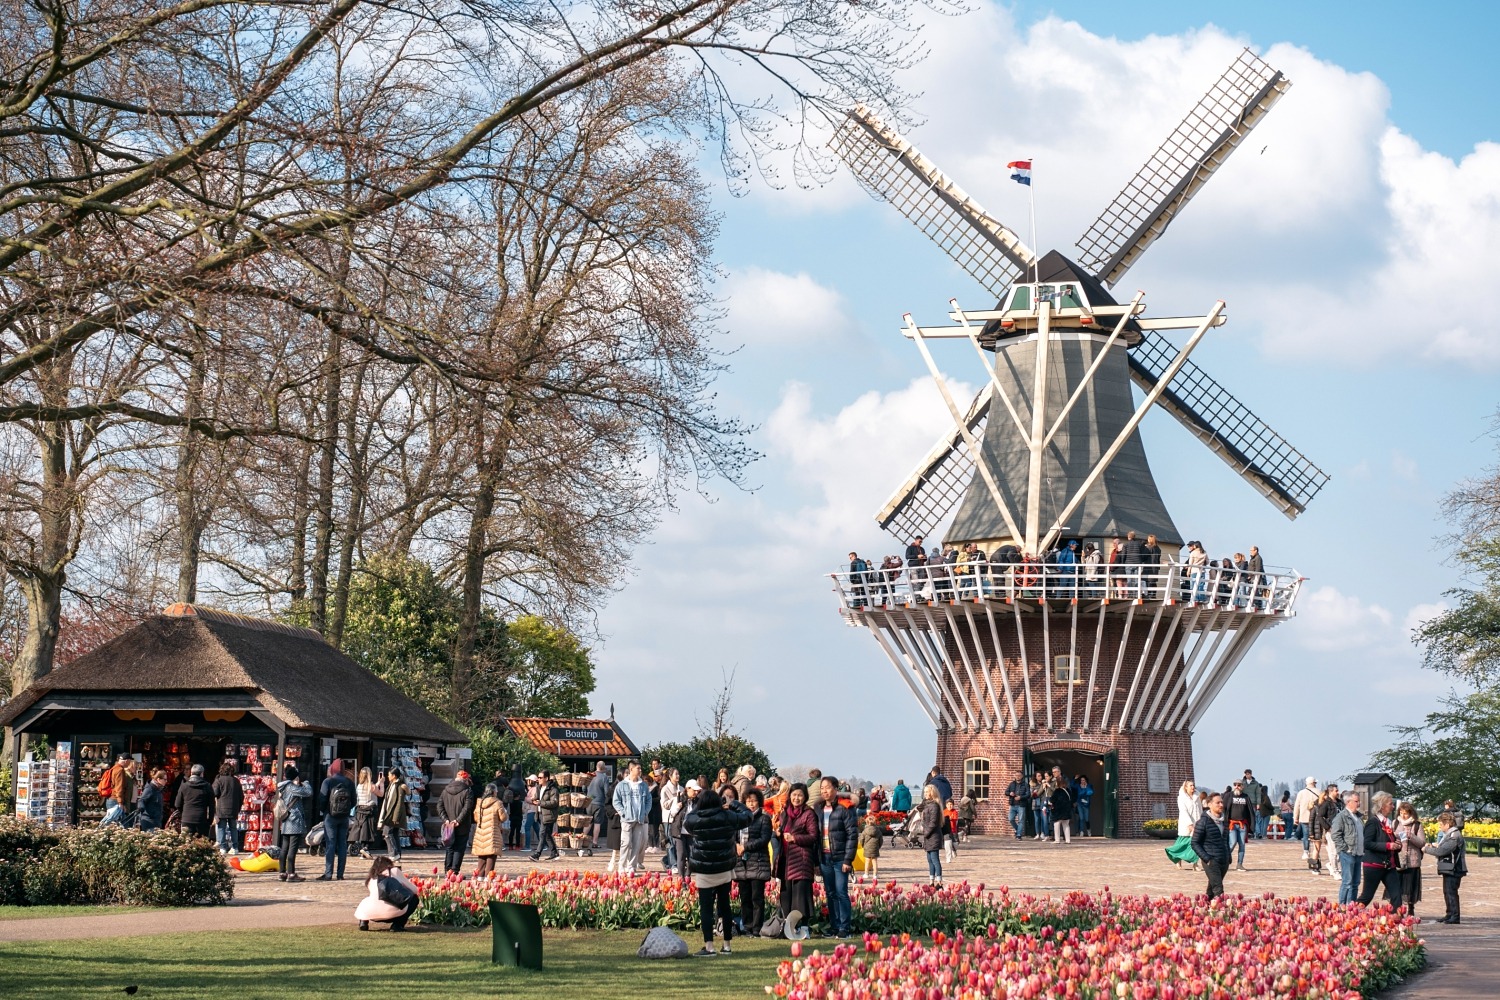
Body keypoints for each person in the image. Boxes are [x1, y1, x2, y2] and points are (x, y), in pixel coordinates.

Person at [684, 787, 749, 956]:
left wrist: (699, 806)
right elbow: (748, 816)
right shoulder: (727, 817)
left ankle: (709, 947)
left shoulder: (696, 819)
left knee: (706, 909)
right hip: (724, 868)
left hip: (704, 869)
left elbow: (687, 821)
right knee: (724, 907)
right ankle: (726, 945)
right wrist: (733, 803)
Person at [816, 775, 858, 938]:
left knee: (841, 892)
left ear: (835, 789)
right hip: (824, 857)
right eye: (822, 788)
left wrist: (848, 859)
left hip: (840, 857)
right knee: (830, 893)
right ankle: (834, 926)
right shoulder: (818, 810)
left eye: (827, 787)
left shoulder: (843, 809)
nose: (824, 791)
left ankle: (844, 927)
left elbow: (852, 835)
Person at [776, 782, 818, 937]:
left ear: (805, 797)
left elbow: (813, 836)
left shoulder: (809, 814)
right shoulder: (785, 813)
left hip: (801, 859)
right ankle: (789, 927)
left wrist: (795, 838)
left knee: (801, 896)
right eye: (794, 795)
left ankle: (804, 928)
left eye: (800, 795)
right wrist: (778, 834)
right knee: (786, 895)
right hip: (786, 860)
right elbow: (782, 831)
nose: (796, 798)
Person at [733, 788, 773, 935]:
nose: (751, 804)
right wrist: (736, 846)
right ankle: (747, 926)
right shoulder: (739, 818)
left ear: (759, 802)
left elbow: (764, 839)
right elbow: (733, 836)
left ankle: (757, 928)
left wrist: (745, 846)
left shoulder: (764, 819)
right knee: (745, 898)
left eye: (754, 800)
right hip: (741, 863)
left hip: (757, 862)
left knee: (757, 898)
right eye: (748, 801)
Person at [1358, 791, 1402, 907]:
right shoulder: (1373, 822)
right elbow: (1367, 844)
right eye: (1390, 804)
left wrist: (1397, 845)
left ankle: (1396, 921)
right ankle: (1349, 915)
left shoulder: (1387, 822)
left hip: (1389, 866)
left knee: (1397, 895)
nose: (1393, 807)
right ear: (1382, 806)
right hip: (1374, 865)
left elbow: (1389, 841)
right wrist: (1387, 845)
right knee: (1367, 896)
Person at [1423, 811, 1467, 924]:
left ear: (1447, 824)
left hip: (1454, 868)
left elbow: (1443, 850)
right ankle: (1449, 913)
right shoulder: (1450, 835)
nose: (1440, 826)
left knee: (1451, 891)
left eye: (1441, 824)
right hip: (1449, 867)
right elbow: (1443, 847)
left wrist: (1427, 849)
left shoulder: (1454, 835)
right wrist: (1433, 845)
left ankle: (1455, 916)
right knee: (1447, 891)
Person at [355, 855, 419, 932]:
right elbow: (414, 890)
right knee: (414, 898)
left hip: (371, 914)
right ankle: (397, 925)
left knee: (367, 899)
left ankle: (363, 921)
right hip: (393, 914)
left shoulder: (371, 879)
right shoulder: (393, 871)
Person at [317, 759, 357, 880]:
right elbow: (354, 801)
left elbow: (322, 799)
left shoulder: (328, 781)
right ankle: (340, 874)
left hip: (330, 816)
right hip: (344, 817)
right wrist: (346, 810)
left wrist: (325, 811)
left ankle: (328, 873)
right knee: (342, 844)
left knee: (330, 844)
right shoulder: (349, 782)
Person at [614, 760, 652, 876]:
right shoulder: (622, 785)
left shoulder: (643, 785)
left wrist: (645, 812)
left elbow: (648, 800)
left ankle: (631, 867)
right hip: (626, 819)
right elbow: (616, 801)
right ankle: (622, 866)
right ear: (631, 769)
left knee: (636, 844)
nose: (640, 771)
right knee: (625, 843)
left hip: (639, 819)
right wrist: (622, 812)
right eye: (638, 768)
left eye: (640, 768)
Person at [276, 764, 312, 881]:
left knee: (284, 848)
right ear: (295, 777)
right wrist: (305, 783)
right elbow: (308, 792)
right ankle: (291, 874)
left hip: (286, 821)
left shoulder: (284, 787)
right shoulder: (292, 787)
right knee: (292, 848)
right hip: (294, 821)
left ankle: (282, 873)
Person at [1191, 791, 1230, 899]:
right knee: (1218, 888)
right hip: (1211, 860)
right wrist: (1206, 858)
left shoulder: (1224, 821)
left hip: (1224, 860)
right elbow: (1194, 843)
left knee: (1211, 888)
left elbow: (1226, 840)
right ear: (1209, 805)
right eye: (1218, 803)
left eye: (1222, 802)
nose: (1221, 805)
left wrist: (1229, 857)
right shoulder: (1203, 822)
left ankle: (1206, 907)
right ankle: (1221, 912)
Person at [437, 768, 476, 874]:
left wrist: (446, 820)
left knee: (449, 848)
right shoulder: (467, 791)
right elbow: (467, 808)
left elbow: (439, 806)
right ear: (466, 780)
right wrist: (458, 820)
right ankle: (454, 871)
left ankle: (447, 870)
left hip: (448, 825)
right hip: (462, 825)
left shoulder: (445, 790)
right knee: (459, 848)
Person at [1329, 791, 1364, 904]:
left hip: (1358, 853)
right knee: (1347, 882)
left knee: (1355, 883)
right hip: (1347, 853)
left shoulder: (1358, 817)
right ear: (1348, 802)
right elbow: (1335, 834)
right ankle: (1342, 906)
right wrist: (1344, 848)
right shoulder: (1341, 817)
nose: (1359, 803)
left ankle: (1351, 905)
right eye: (1356, 801)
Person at [1393, 801, 1426, 913]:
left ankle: (1411, 908)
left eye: (1406, 813)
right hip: (1399, 859)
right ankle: (1398, 908)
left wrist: (1410, 836)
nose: (1403, 815)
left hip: (1412, 860)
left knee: (1410, 886)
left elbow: (1421, 843)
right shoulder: (1395, 823)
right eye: (1401, 813)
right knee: (1397, 886)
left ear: (1411, 813)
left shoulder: (1417, 825)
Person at [471, 782, 506, 877]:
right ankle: (488, 877)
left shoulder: (480, 803)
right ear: (494, 792)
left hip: (481, 831)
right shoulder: (497, 803)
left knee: (482, 854)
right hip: (492, 832)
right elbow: (503, 818)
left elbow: (476, 818)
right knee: (491, 854)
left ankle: (480, 876)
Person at [172, 762, 213, 839]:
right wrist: (210, 820)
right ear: (202, 774)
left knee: (187, 845)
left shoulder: (184, 786)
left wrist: (184, 813)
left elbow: (177, 804)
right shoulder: (207, 786)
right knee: (202, 845)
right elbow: (211, 805)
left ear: (191, 773)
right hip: (201, 819)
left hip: (187, 819)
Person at [211, 760, 243, 856]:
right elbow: (241, 796)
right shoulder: (236, 781)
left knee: (221, 828)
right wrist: (238, 807)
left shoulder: (219, 780)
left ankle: (223, 847)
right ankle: (235, 847)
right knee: (233, 828)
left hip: (222, 808)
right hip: (233, 808)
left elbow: (215, 793)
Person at [1167, 780, 1201, 870]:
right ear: (1186, 787)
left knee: (1197, 844)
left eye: (1193, 785)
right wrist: (1189, 824)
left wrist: (1201, 821)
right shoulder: (1181, 798)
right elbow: (1183, 811)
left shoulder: (1197, 797)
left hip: (1196, 822)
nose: (1193, 787)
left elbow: (1200, 810)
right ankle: (1178, 859)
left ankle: (1195, 864)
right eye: (1190, 785)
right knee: (1182, 844)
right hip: (1186, 824)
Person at [1222, 779, 1254, 870]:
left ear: (1242, 787)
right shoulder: (1229, 796)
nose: (1237, 786)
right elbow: (1223, 809)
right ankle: (1225, 860)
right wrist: (1224, 822)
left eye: (1239, 785)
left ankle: (1239, 864)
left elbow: (1250, 811)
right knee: (1232, 843)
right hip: (1232, 824)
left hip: (1242, 825)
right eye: (1235, 784)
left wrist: (1252, 826)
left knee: (1242, 844)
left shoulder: (1246, 797)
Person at [379, 766, 409, 861]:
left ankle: (393, 853)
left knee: (387, 833)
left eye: (389, 775)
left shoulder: (399, 786)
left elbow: (399, 803)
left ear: (394, 776)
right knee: (394, 834)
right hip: (389, 812)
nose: (388, 776)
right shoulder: (391, 784)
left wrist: (395, 817)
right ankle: (397, 853)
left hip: (392, 815)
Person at [530, 770, 561, 861]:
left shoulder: (553, 790)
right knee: (547, 834)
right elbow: (537, 798)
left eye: (540, 777)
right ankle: (554, 852)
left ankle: (537, 854)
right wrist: (534, 800)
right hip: (540, 813)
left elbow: (554, 803)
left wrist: (541, 803)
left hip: (548, 815)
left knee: (542, 834)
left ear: (546, 778)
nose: (538, 779)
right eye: (538, 777)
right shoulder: (539, 788)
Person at [99, 755, 138, 826]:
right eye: (129, 761)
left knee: (113, 823)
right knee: (118, 824)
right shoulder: (120, 770)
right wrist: (120, 803)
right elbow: (119, 787)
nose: (129, 763)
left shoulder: (114, 768)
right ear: (126, 761)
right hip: (115, 800)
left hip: (112, 799)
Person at [353, 767, 382, 859]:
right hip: (370, 810)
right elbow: (381, 793)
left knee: (362, 830)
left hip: (360, 810)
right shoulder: (371, 786)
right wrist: (381, 783)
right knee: (370, 830)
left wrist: (377, 783)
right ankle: (366, 848)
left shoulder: (359, 786)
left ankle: (363, 850)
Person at [919, 784, 945, 886]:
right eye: (924, 792)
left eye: (927, 792)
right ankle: (931, 880)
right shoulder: (927, 804)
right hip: (928, 836)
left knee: (935, 859)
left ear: (932, 793)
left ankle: (939, 880)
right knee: (929, 860)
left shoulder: (934, 806)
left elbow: (933, 822)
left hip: (933, 835)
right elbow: (919, 807)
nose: (925, 794)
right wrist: (924, 801)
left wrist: (926, 833)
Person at [585, 760, 610, 856]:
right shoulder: (604, 778)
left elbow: (584, 787)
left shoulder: (590, 776)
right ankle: (595, 842)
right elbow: (607, 791)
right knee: (597, 823)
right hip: (599, 803)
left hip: (588, 802)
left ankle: (582, 840)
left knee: (588, 822)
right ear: (603, 768)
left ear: (596, 766)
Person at [1293, 777, 1319, 858]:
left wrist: (1296, 818)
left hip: (1304, 817)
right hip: (1316, 817)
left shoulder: (1301, 793)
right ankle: (1316, 852)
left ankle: (1306, 852)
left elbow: (1297, 806)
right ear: (1314, 783)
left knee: (1305, 835)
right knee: (1316, 835)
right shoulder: (1319, 792)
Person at [506, 765, 527, 851]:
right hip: (519, 818)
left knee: (511, 832)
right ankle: (518, 846)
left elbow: (508, 811)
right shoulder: (520, 803)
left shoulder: (511, 803)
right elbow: (522, 811)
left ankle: (510, 845)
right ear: (519, 796)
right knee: (517, 832)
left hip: (512, 818)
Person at [858, 811, 884, 883]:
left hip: (867, 848)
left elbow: (861, 839)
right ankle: (875, 875)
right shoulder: (878, 831)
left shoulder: (864, 831)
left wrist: (863, 845)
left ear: (866, 822)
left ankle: (866, 874)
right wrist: (878, 846)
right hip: (875, 848)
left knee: (867, 861)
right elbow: (881, 840)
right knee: (874, 861)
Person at [1004, 774, 1030, 840]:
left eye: (1019, 775)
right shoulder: (1012, 784)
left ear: (1022, 776)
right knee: (1011, 819)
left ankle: (1018, 835)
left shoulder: (1025, 784)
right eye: (1016, 775)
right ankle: (1018, 830)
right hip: (1013, 804)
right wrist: (1010, 793)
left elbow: (1028, 794)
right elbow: (1006, 792)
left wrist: (1020, 797)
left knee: (1021, 820)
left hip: (1021, 805)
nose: (1017, 776)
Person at [1240, 770, 1264, 838]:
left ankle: (1251, 832)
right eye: (1246, 774)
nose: (1247, 775)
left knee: (1253, 817)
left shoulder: (1255, 783)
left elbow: (1258, 794)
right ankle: (1245, 831)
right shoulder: (1242, 782)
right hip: (1244, 802)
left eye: (1248, 774)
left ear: (1251, 774)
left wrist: (1258, 803)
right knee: (1244, 817)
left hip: (1253, 802)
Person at [1050, 779, 1074, 844]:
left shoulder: (1057, 791)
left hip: (1058, 810)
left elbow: (1052, 799)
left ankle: (1057, 840)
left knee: (1056, 824)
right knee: (1066, 825)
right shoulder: (1068, 791)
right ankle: (1068, 840)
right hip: (1067, 810)